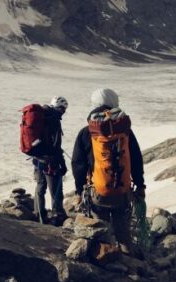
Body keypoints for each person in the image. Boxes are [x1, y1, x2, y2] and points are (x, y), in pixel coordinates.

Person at [71, 88, 145, 253]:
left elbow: (78, 164)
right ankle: (130, 260)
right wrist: (140, 186)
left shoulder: (87, 132)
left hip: (98, 192)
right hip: (122, 191)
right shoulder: (125, 132)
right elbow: (136, 159)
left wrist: (78, 191)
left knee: (100, 230)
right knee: (123, 230)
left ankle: (106, 259)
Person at [32, 96, 68, 226]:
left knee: (40, 187)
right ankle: (57, 215)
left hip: (37, 159)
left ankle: (38, 214)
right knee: (56, 189)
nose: (64, 111)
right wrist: (62, 164)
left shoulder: (41, 116)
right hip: (50, 162)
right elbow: (55, 147)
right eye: (63, 108)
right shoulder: (54, 120)